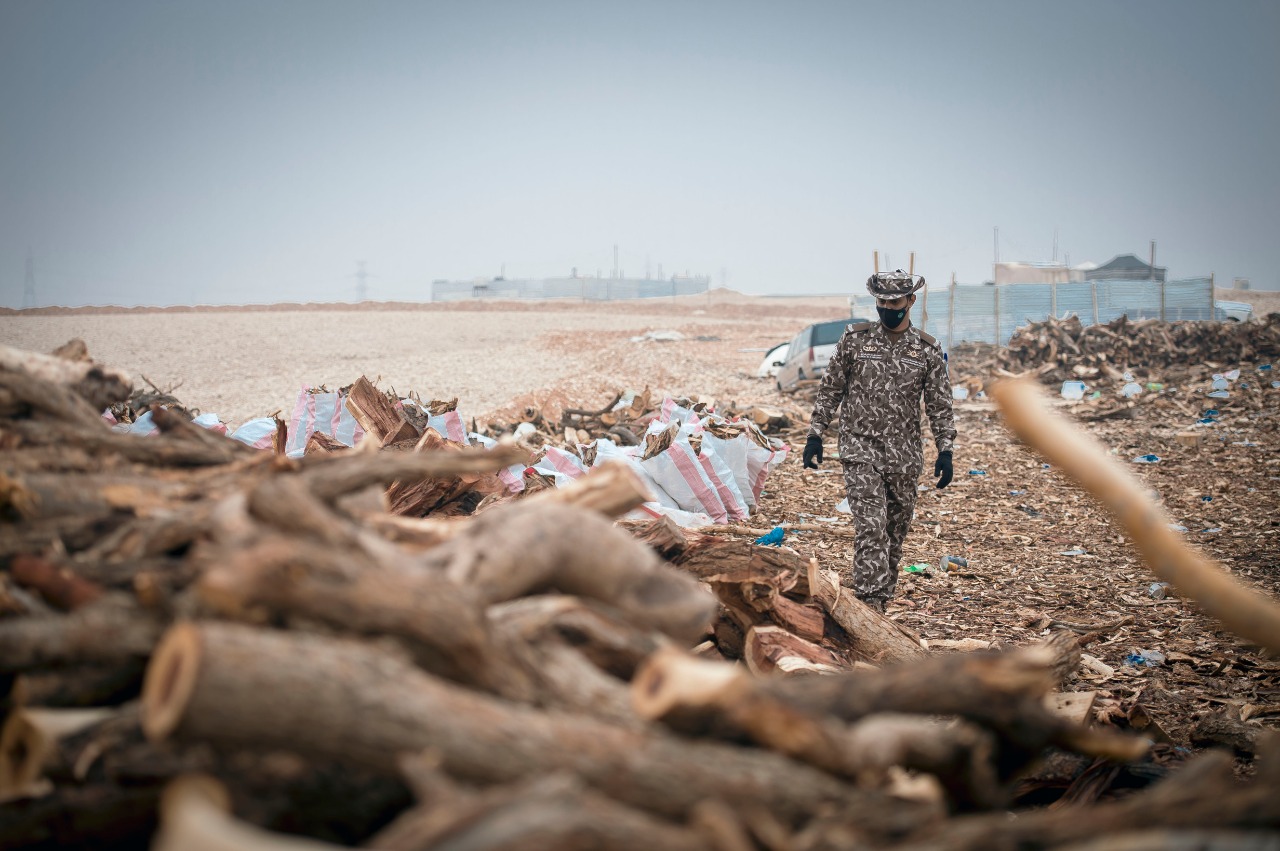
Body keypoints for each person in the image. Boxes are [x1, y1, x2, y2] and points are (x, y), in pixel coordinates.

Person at [801, 269, 956, 613]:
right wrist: (816, 434)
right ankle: (871, 605)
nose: (888, 308)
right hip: (860, 448)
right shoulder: (855, 340)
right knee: (871, 527)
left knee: (894, 532)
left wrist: (946, 450)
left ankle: (882, 596)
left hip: (904, 455)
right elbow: (831, 389)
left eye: (895, 302)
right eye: (882, 302)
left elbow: (939, 404)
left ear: (911, 301)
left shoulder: (927, 349)